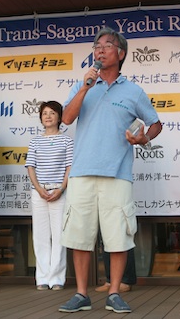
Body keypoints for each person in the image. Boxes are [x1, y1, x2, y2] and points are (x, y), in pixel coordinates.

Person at [58, 27, 162, 314]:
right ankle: (81, 294)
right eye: (96, 46)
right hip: (82, 172)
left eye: (107, 45)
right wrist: (85, 87)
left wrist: (144, 138)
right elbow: (66, 118)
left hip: (118, 173)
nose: (100, 50)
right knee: (79, 236)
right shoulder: (83, 85)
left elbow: (155, 123)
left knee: (118, 237)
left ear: (121, 53)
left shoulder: (133, 91)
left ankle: (114, 292)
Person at [25, 100, 73, 291]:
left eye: (52, 113)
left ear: (59, 117)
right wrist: (38, 189)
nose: (48, 116)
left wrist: (61, 189)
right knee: (40, 236)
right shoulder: (35, 141)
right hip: (39, 192)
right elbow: (30, 166)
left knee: (59, 236)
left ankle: (57, 279)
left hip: (59, 192)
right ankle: (42, 277)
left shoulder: (67, 141)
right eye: (44, 113)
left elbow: (70, 167)